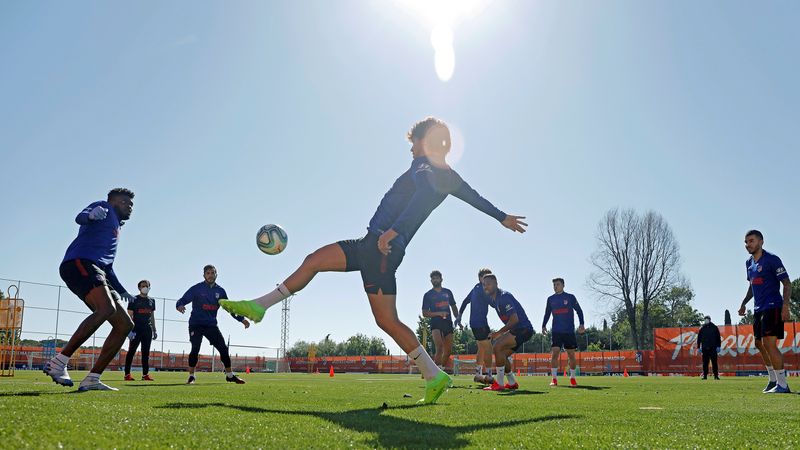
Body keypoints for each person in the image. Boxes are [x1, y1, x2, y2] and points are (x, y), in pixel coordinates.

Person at [220, 117, 527, 404]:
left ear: (427, 141)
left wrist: (395, 231)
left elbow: (422, 197)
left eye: (414, 142)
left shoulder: (424, 167)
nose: (411, 148)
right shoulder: (447, 175)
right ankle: (260, 305)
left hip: (382, 248)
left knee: (380, 314)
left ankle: (433, 375)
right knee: (328, 272)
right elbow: (474, 196)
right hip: (375, 243)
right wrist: (501, 217)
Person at [45, 188, 136, 391]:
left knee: (124, 325)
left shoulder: (116, 228)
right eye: (125, 202)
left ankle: (92, 378)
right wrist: (90, 216)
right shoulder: (103, 208)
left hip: (97, 270)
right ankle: (59, 361)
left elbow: (108, 267)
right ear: (113, 202)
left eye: (131, 204)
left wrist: (122, 291)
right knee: (106, 309)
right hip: (80, 263)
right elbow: (80, 217)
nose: (129, 207)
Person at [737, 230, 792, 393]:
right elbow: (752, 286)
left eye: (751, 241)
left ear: (761, 242)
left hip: (773, 306)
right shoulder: (749, 263)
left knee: (769, 343)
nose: (748, 245)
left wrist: (785, 306)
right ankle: (773, 380)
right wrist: (743, 303)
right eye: (746, 242)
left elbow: (787, 283)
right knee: (759, 344)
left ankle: (783, 384)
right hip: (758, 309)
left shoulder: (772, 260)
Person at [176, 265, 249, 385]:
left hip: (211, 325)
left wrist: (241, 319)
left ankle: (230, 375)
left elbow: (229, 308)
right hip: (196, 324)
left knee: (223, 349)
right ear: (204, 275)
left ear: (216, 275)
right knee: (195, 349)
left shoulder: (220, 291)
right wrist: (179, 305)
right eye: (208, 273)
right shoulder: (196, 288)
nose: (210, 275)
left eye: (212, 273)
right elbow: (182, 300)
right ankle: (191, 376)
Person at [481, 274, 534, 391]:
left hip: (523, 329)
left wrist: (498, 333)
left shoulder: (504, 297)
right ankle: (512, 382)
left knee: (497, 347)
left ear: (496, 284)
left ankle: (499, 383)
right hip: (519, 330)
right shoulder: (494, 300)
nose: (486, 287)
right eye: (484, 285)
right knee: (502, 355)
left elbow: (515, 319)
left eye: (488, 284)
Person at [542, 278, 585, 387]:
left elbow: (579, 310)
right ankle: (554, 379)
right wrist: (543, 325)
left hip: (569, 331)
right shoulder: (550, 299)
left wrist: (582, 324)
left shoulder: (570, 297)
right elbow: (547, 313)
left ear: (563, 285)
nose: (555, 286)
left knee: (571, 355)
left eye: (557, 284)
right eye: (554, 285)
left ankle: (573, 378)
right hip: (556, 331)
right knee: (555, 353)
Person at [455, 268, 495, 384]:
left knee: (481, 348)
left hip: (475, 323)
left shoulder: (475, 288)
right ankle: (488, 376)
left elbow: (465, 301)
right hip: (480, 323)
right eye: (485, 277)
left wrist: (459, 316)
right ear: (480, 278)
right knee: (488, 348)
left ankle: (478, 374)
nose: (487, 280)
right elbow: (493, 303)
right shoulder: (482, 289)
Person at [421, 270, 459, 371]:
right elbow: (424, 313)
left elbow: (454, 307)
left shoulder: (448, 292)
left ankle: (440, 369)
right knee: (439, 347)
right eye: (433, 278)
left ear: (441, 279)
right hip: (436, 323)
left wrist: (458, 319)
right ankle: (435, 372)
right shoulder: (428, 295)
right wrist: (438, 313)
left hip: (448, 322)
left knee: (448, 350)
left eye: (437, 278)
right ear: (431, 281)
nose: (435, 280)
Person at [124, 280, 157, 381]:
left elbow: (152, 316)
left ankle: (145, 374)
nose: (145, 287)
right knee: (131, 351)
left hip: (147, 330)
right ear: (139, 288)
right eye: (143, 286)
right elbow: (129, 316)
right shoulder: (133, 299)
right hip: (136, 329)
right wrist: (129, 330)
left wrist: (154, 330)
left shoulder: (152, 301)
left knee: (146, 353)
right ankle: (127, 374)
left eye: (147, 286)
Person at [696, 315, 721, 380]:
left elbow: (718, 337)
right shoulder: (702, 328)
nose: (706, 320)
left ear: (710, 320)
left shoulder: (714, 327)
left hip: (713, 348)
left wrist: (718, 346)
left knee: (714, 363)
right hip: (705, 348)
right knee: (705, 363)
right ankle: (705, 376)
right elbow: (699, 338)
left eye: (707, 319)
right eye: (705, 319)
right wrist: (698, 347)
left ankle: (716, 376)